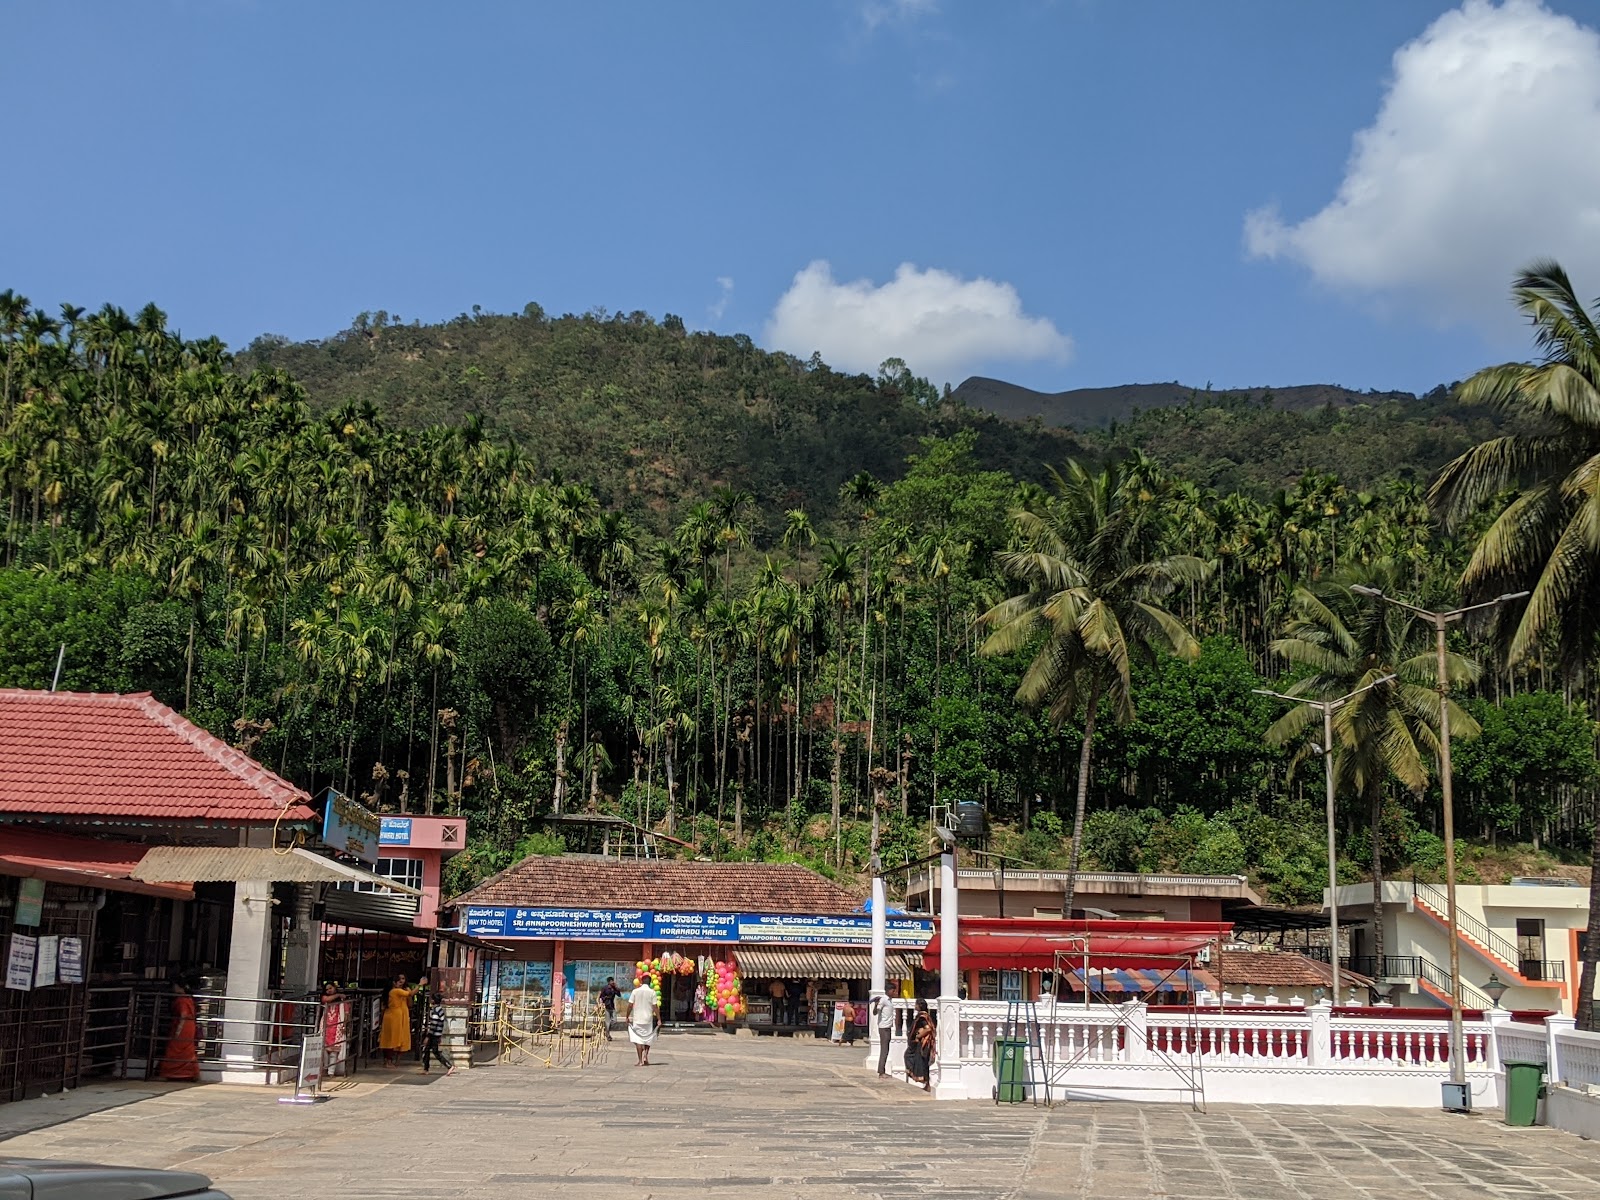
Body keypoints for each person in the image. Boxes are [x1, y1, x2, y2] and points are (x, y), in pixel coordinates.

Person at [159, 978, 200, 1081]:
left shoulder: (182, 1000)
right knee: (187, 1049)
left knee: (174, 1048)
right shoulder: (188, 998)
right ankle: (190, 1072)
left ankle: (171, 1072)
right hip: (189, 1026)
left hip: (183, 1026)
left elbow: (183, 1015)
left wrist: (178, 1029)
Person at [380, 973, 422, 1069]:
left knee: (390, 1038)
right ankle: (388, 1061)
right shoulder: (395, 991)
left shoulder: (394, 991)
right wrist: (420, 984)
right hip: (395, 1017)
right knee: (392, 1039)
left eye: (402, 979)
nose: (401, 982)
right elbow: (411, 994)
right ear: (394, 983)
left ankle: (389, 1061)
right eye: (399, 981)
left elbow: (410, 1003)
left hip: (393, 1016)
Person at [905, 999, 936, 1091]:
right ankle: (927, 1084)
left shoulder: (922, 1017)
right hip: (922, 1044)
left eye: (916, 1004)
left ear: (920, 1006)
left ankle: (925, 1082)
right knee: (924, 1062)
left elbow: (928, 1028)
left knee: (911, 1057)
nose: (915, 1006)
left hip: (922, 1044)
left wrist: (918, 1036)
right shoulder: (923, 1016)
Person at [628, 976, 659, 1067]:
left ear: (641, 981)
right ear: (650, 982)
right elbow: (655, 1006)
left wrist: (627, 1016)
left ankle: (640, 1061)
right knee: (648, 1038)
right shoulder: (652, 992)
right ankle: (645, 1055)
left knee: (638, 1039)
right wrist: (659, 1018)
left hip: (637, 1018)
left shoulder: (635, 991)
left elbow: (630, 1005)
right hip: (648, 1018)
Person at [420, 997, 456, 1076]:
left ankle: (449, 1066)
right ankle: (426, 1068)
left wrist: (428, 1036)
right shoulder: (440, 1010)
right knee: (428, 1050)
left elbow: (434, 1024)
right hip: (437, 1034)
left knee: (433, 1051)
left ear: (434, 1000)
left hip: (433, 1034)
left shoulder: (436, 1011)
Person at [872, 990, 896, 1076]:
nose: (894, 992)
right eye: (893, 991)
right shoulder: (883, 1000)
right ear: (888, 990)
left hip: (888, 1027)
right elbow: (875, 1012)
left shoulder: (890, 1001)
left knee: (886, 1049)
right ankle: (881, 1071)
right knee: (884, 1049)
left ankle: (882, 1070)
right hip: (884, 1027)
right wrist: (876, 1005)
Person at [598, 976, 621, 1040]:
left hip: (612, 1006)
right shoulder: (605, 988)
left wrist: (616, 987)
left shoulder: (614, 988)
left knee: (614, 1020)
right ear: (608, 982)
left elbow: (619, 994)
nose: (612, 982)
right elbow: (601, 997)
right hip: (606, 1006)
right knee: (607, 1022)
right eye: (611, 981)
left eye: (613, 981)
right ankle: (608, 1036)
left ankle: (606, 1029)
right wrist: (605, 998)